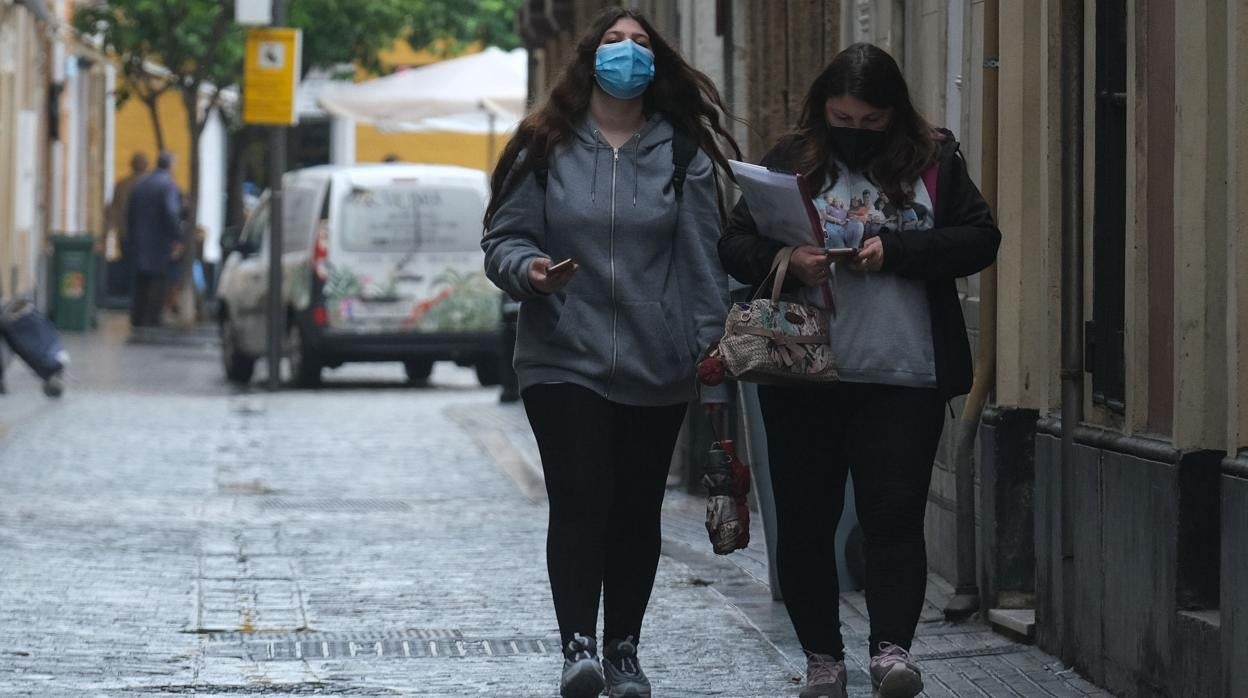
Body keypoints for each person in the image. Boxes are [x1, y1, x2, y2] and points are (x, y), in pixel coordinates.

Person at [718, 43, 1000, 698]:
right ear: (823, 110)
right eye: (843, 117)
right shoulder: (790, 159)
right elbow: (733, 243)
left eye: (870, 123)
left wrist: (897, 250)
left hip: (904, 375)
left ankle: (891, 654)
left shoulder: (935, 160)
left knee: (893, 514)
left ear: (892, 116)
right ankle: (822, 658)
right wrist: (790, 255)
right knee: (805, 516)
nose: (854, 132)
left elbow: (980, 238)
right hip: (802, 370)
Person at [481, 8, 740, 697]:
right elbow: (502, 240)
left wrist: (710, 354)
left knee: (634, 506)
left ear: (658, 63)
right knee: (581, 493)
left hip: (657, 363)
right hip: (562, 353)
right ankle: (579, 647)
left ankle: (624, 648)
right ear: (589, 56)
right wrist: (532, 270)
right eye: (614, 42)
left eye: (641, 44)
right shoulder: (544, 145)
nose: (626, 53)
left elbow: (702, 266)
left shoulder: (680, 153)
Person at [127, 151, 185, 328]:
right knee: (158, 280)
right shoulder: (168, 186)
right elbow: (171, 213)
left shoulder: (141, 184)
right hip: (159, 242)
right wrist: (177, 236)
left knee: (140, 281)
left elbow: (130, 214)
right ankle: (153, 317)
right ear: (170, 165)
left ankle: (138, 317)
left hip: (139, 241)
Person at [104, 152, 149, 299]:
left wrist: (108, 231)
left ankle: (128, 294)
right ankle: (138, 295)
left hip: (125, 233)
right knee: (143, 266)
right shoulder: (149, 184)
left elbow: (112, 210)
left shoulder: (122, 184)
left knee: (128, 263)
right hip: (145, 235)